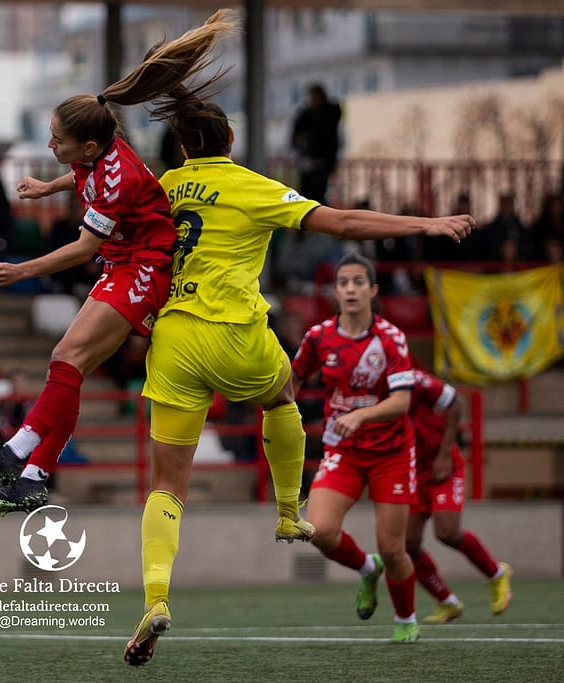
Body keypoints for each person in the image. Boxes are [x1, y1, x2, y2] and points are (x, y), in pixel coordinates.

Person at [123, 75, 475, 666]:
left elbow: (111, 204)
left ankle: (156, 596)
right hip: (235, 333)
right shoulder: (251, 186)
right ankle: (289, 510)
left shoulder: (166, 185)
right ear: (230, 138)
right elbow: (345, 225)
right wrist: (426, 225)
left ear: (182, 148)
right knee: (282, 391)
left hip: (174, 337)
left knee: (166, 486)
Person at [0, 9, 232, 516]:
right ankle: (33, 475)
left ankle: (18, 453)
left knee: (66, 360)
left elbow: (83, 248)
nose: (49, 145)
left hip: (144, 269)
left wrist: (21, 270)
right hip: (124, 264)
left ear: (86, 144)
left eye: (55, 141)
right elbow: (84, 176)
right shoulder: (96, 152)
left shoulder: (119, 175)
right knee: (68, 365)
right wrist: (48, 186)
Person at [293, 254, 426, 645]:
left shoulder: (390, 338)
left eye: (358, 282)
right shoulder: (318, 336)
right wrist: (275, 406)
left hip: (392, 452)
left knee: (394, 547)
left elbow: (402, 401)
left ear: (372, 290)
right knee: (318, 530)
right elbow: (292, 380)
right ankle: (368, 569)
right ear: (335, 292)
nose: (351, 289)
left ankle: (406, 619)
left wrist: (362, 416)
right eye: (344, 283)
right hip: (345, 451)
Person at [405, 367, 511, 624]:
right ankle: (447, 602)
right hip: (410, 471)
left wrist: (444, 453)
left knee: (447, 532)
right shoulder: (366, 386)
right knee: (406, 545)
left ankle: (496, 573)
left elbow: (455, 402)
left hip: (443, 467)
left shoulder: (412, 379)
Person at [291, 83, 341, 204]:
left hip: (323, 161)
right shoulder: (305, 114)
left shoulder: (329, 113)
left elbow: (330, 137)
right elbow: (295, 135)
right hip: (307, 161)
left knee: (319, 194)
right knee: (306, 195)